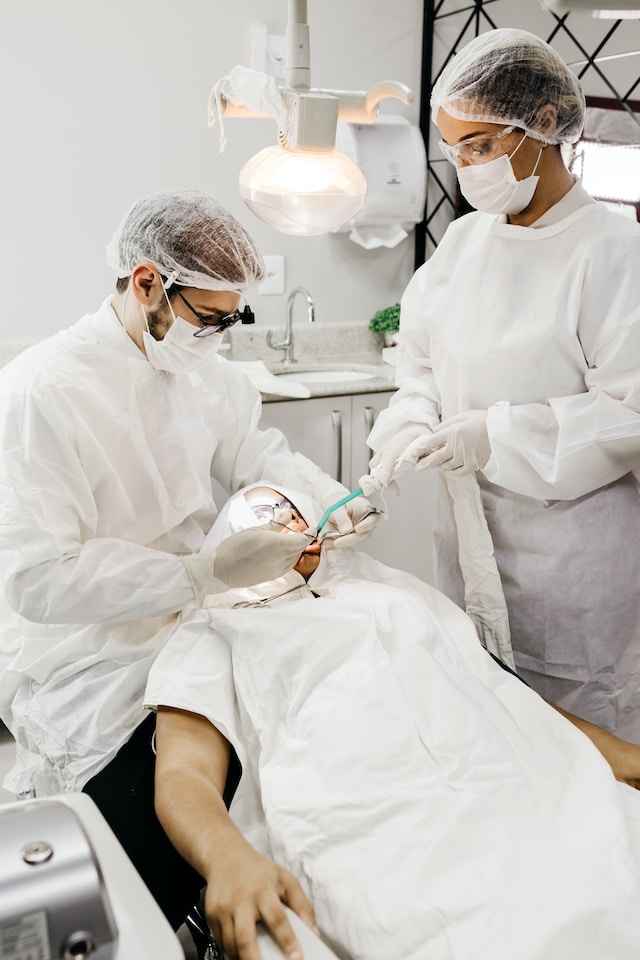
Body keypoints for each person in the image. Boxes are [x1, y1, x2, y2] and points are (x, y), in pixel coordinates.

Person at [0, 188, 380, 932]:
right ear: (146, 284)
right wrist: (198, 574)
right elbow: (37, 581)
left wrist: (337, 499)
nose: (221, 335)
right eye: (210, 317)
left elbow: (257, 456)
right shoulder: (43, 391)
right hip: (90, 651)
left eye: (235, 317)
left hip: (204, 618)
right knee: (168, 813)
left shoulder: (209, 374)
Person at [146, 483, 640, 960]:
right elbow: (182, 771)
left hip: (507, 781)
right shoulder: (214, 628)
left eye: (294, 511)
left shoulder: (381, 589)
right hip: (368, 813)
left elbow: (493, 687)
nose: (291, 524)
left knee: (605, 872)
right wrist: (225, 856)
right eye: (267, 518)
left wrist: (610, 749)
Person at [366, 28, 640, 740]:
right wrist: (408, 420)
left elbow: (631, 410)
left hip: (572, 571)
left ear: (544, 124)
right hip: (468, 545)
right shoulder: (465, 242)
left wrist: (495, 435)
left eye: (480, 146)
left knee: (585, 753)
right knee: (491, 729)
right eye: (455, 150)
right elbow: (420, 359)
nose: (465, 168)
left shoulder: (612, 255)